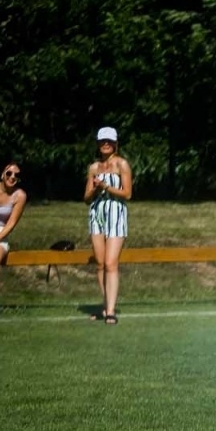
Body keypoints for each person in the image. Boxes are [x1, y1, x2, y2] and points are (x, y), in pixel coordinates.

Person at [83, 126, 132, 323]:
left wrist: (106, 187)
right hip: (97, 214)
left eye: (109, 141)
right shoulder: (94, 168)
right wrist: (95, 190)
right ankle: (105, 306)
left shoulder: (122, 164)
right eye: (102, 141)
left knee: (111, 263)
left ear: (115, 144)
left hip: (115, 213)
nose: (106, 144)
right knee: (101, 263)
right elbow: (86, 198)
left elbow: (127, 193)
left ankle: (111, 311)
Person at [0, 163, 29, 316]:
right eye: (9, 173)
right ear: (2, 174)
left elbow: (11, 223)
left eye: (16, 175)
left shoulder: (20, 196)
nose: (12, 177)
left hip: (1, 232)